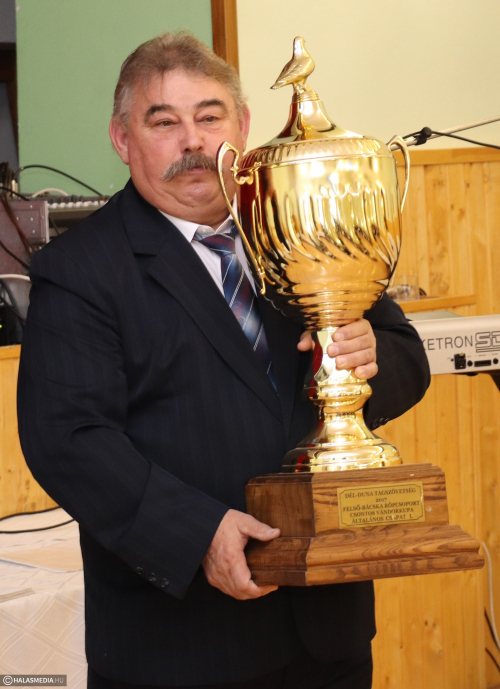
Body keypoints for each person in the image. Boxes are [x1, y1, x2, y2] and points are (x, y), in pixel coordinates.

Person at [17, 32, 430, 689]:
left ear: (242, 127)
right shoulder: (80, 270)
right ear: (122, 139)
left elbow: (407, 357)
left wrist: (370, 355)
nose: (193, 142)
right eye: (164, 122)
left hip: (329, 632)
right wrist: (198, 532)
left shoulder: (299, 221)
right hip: (181, 645)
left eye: (210, 117)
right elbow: (69, 438)